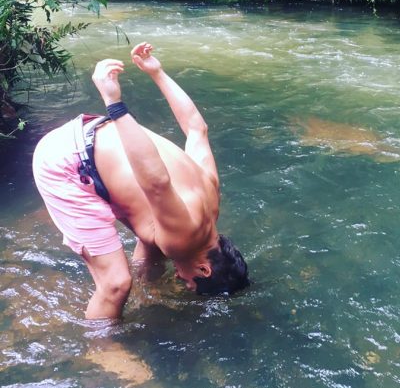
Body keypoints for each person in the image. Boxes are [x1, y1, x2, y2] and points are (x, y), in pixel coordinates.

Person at [32, 42, 249, 319]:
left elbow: (197, 129)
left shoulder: (211, 200)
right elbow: (156, 181)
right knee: (115, 285)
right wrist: (115, 104)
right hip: (65, 163)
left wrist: (157, 72)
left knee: (156, 242)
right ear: (204, 269)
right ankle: (102, 348)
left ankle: (146, 292)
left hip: (91, 135)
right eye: (189, 284)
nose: (182, 282)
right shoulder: (184, 237)